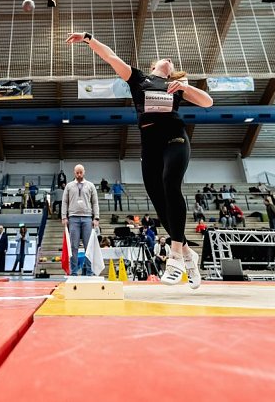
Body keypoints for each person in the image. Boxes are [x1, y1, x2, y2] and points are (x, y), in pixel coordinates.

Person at [68, 31, 213, 288]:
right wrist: (89, 39)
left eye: (173, 63)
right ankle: (188, 253)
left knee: (170, 183)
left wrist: (186, 86)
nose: (169, 60)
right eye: (165, 59)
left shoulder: (177, 86)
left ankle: (175, 257)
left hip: (175, 137)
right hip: (150, 144)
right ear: (153, 66)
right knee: (159, 202)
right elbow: (110, 57)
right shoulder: (138, 78)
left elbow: (208, 102)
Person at [61, 164, 100, 277]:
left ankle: (89, 271)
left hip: (87, 218)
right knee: (74, 246)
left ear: (84, 172)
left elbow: (95, 202)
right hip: (73, 218)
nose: (79, 175)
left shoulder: (90, 185)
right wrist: (64, 217)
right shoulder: (69, 186)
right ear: (74, 173)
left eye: (80, 172)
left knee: (89, 246)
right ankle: (73, 272)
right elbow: (64, 202)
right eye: (77, 173)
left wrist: (96, 217)